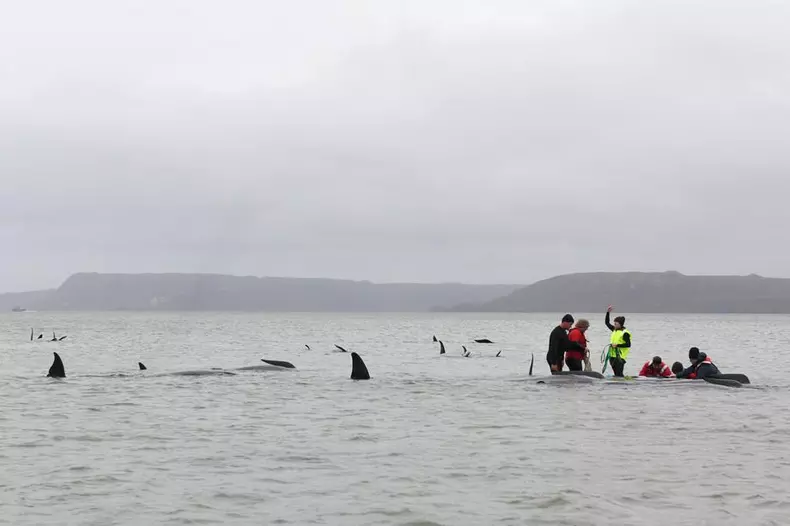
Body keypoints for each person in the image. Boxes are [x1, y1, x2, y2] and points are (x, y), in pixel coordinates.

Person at [604, 305, 632, 377]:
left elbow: (628, 344)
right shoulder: (614, 329)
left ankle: (622, 383)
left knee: (619, 374)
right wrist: (608, 312)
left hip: (620, 357)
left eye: (616, 324)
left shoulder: (625, 333)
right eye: (614, 323)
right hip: (612, 356)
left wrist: (617, 345)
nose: (614, 325)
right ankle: (617, 383)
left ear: (620, 324)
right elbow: (607, 323)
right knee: (616, 374)